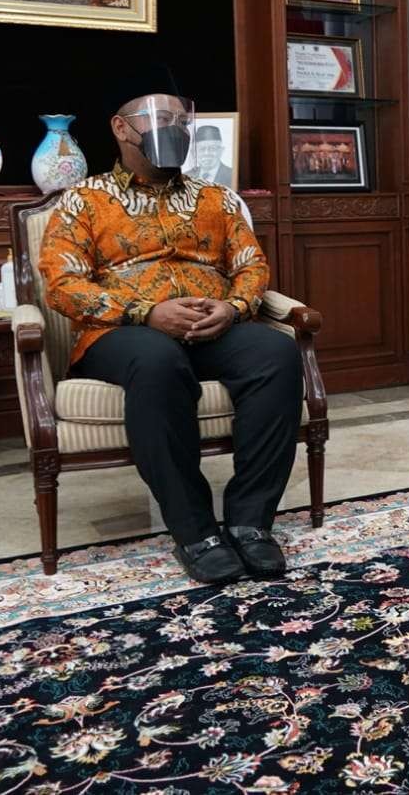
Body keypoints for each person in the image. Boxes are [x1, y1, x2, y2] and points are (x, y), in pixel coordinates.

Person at [38, 70, 302, 585]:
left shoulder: (217, 199)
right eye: (162, 120)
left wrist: (234, 306)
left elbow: (252, 265)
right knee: (158, 361)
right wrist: (145, 312)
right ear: (121, 127)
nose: (176, 129)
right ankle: (196, 531)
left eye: (183, 120)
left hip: (210, 325)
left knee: (276, 354)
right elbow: (62, 285)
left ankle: (250, 523)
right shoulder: (82, 201)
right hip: (120, 334)